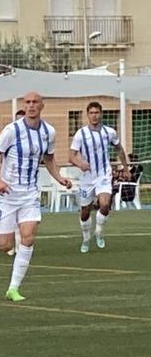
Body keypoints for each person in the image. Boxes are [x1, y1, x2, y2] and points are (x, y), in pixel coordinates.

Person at [0, 92, 72, 302]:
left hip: (30, 193)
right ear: (24, 106)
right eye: (27, 102)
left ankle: (13, 288)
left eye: (35, 102)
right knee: (6, 246)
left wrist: (59, 178)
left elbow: (48, 158)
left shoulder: (49, 132)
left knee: (28, 237)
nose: (31, 106)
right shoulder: (12, 130)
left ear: (42, 105)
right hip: (8, 194)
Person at [69, 101, 129, 253]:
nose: (94, 116)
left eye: (97, 112)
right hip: (87, 177)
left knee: (104, 204)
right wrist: (80, 163)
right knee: (85, 212)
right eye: (91, 113)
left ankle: (99, 232)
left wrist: (125, 168)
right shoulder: (80, 134)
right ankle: (86, 238)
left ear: (101, 114)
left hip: (103, 174)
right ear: (87, 115)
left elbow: (119, 149)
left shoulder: (109, 132)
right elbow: (72, 156)